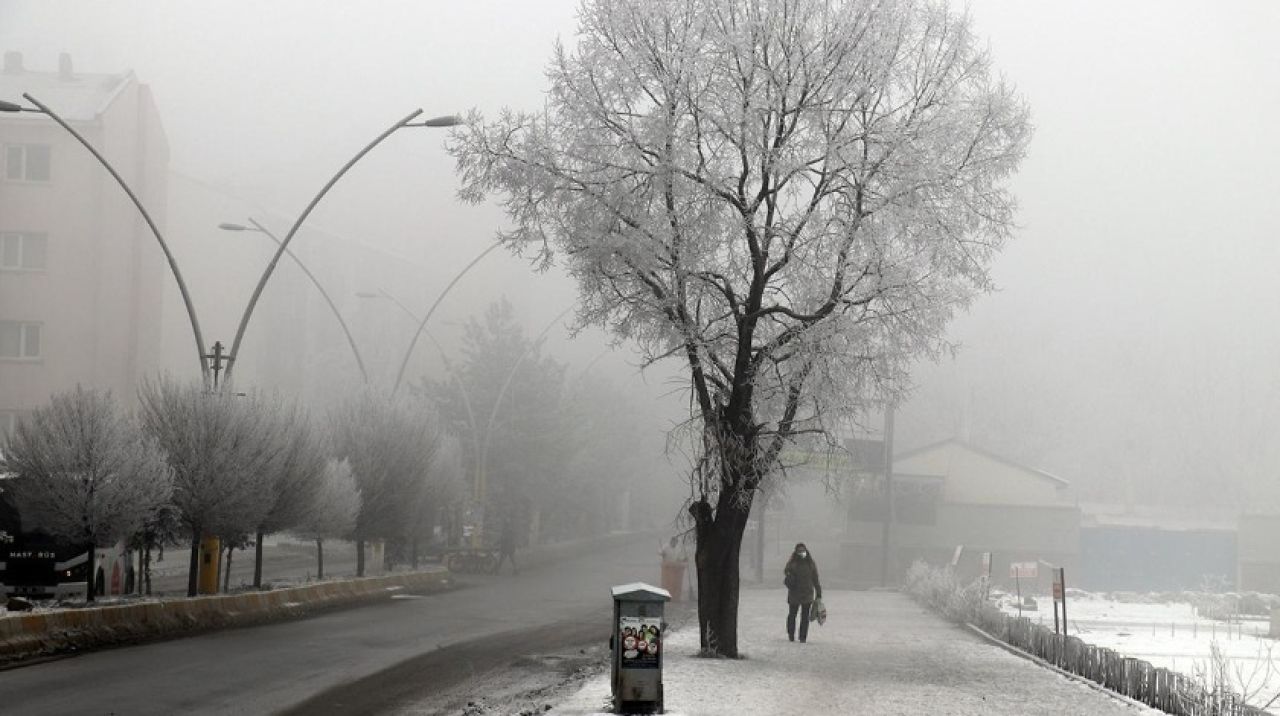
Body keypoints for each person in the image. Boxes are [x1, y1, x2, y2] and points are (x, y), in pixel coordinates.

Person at [783, 542, 822, 643]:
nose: (802, 552)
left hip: (807, 594)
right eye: (799, 551)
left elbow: (815, 578)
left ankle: (803, 637)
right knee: (792, 615)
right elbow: (786, 571)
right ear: (796, 552)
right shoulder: (792, 563)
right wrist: (789, 574)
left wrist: (818, 591)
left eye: (803, 550)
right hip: (794, 593)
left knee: (805, 617)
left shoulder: (810, 563)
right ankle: (791, 634)